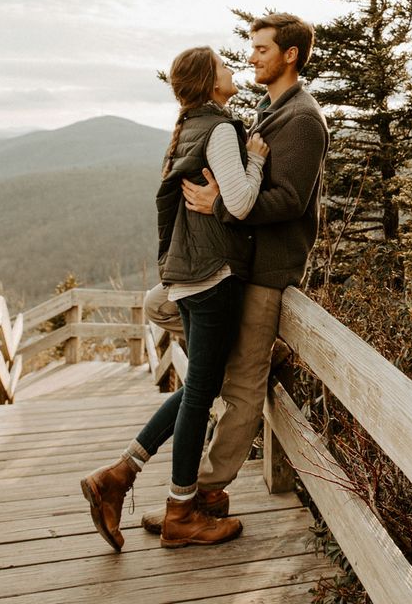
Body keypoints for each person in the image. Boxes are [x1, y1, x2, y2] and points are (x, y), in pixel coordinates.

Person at [140, 12, 329, 532]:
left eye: (262, 49)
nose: (251, 58)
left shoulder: (303, 119)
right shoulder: (272, 110)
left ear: (289, 55)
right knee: (204, 359)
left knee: (243, 385)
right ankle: (184, 495)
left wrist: (222, 205)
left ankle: (200, 495)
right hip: (235, 267)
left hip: (269, 270)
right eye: (249, 50)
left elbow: (290, 200)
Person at [80, 45, 269, 551]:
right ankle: (181, 510)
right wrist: (253, 161)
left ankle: (119, 475)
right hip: (213, 277)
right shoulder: (222, 130)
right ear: (210, 81)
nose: (233, 68)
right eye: (225, 67)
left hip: (186, 277)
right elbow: (244, 202)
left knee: (199, 387)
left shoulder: (187, 127)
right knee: (203, 393)